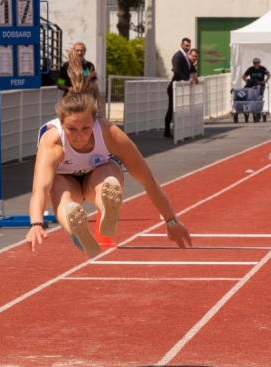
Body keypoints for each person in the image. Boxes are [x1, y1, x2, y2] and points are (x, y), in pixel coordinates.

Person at [26, 48, 192, 258]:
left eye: (85, 128)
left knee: (110, 174)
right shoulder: (52, 142)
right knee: (58, 191)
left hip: (97, 175)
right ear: (61, 124)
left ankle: (106, 206)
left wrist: (172, 221)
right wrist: (36, 223)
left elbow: (147, 179)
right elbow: (39, 189)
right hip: (64, 180)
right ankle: (74, 223)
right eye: (72, 129)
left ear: (95, 121)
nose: (79, 135)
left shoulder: (109, 133)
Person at [164, 38, 195, 138]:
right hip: (174, 88)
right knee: (173, 110)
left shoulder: (185, 56)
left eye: (189, 46)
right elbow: (176, 71)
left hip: (180, 88)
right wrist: (187, 79)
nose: (188, 47)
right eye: (186, 45)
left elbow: (191, 68)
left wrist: (194, 77)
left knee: (178, 109)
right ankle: (169, 131)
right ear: (181, 45)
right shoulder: (178, 56)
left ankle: (176, 131)